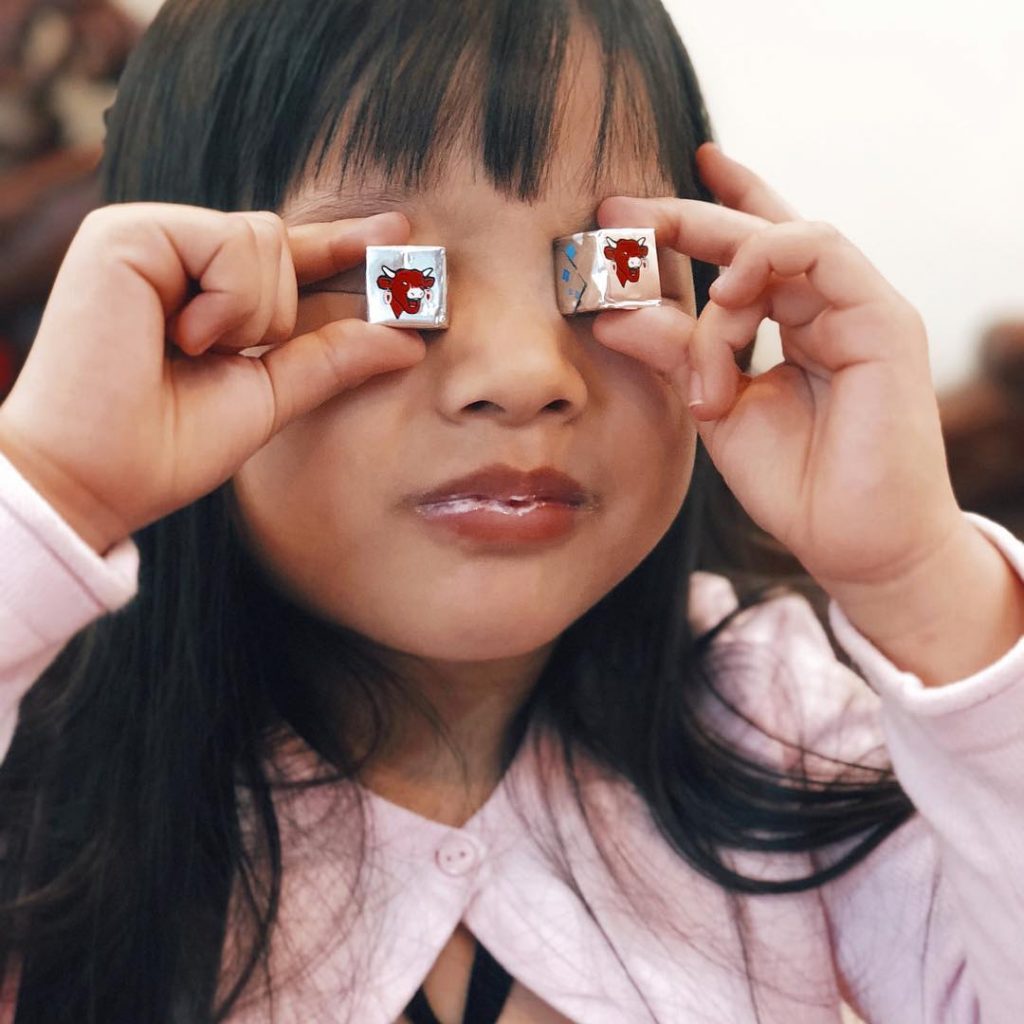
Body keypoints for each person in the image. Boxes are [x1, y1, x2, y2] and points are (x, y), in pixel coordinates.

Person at [1, 0, 1023, 1021]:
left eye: (603, 269)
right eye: (390, 276)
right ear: (179, 323)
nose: (527, 371)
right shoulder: (43, 788)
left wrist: (921, 585)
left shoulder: (778, 721)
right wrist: (54, 482)